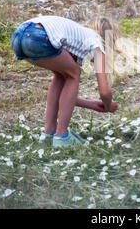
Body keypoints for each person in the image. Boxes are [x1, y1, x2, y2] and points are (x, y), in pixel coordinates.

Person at [10, 16, 122, 148]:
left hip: (19, 36)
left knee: (61, 75)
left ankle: (48, 133)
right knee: (74, 74)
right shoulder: (96, 43)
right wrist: (108, 106)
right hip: (37, 35)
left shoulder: (73, 37)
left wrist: (90, 104)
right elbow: (104, 92)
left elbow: (62, 94)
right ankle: (62, 136)